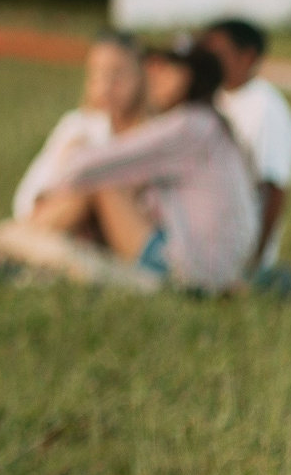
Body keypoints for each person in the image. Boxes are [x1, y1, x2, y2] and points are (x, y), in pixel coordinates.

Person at [17, 37, 259, 293]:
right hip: (213, 268)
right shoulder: (210, 124)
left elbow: (89, 165)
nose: (154, 78)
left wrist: (56, 183)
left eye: (167, 70)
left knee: (100, 185)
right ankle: (17, 245)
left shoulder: (189, 127)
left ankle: (13, 245)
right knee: (107, 188)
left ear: (192, 77)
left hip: (192, 273)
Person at [10, 31, 147, 220]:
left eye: (117, 74)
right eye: (97, 75)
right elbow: (30, 197)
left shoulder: (154, 132)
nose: (105, 87)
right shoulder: (79, 126)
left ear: (141, 74)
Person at [203, 17, 291, 272]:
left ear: (247, 56)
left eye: (218, 53)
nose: (208, 61)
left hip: (240, 239)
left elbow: (275, 188)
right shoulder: (211, 97)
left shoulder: (266, 107)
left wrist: (255, 260)